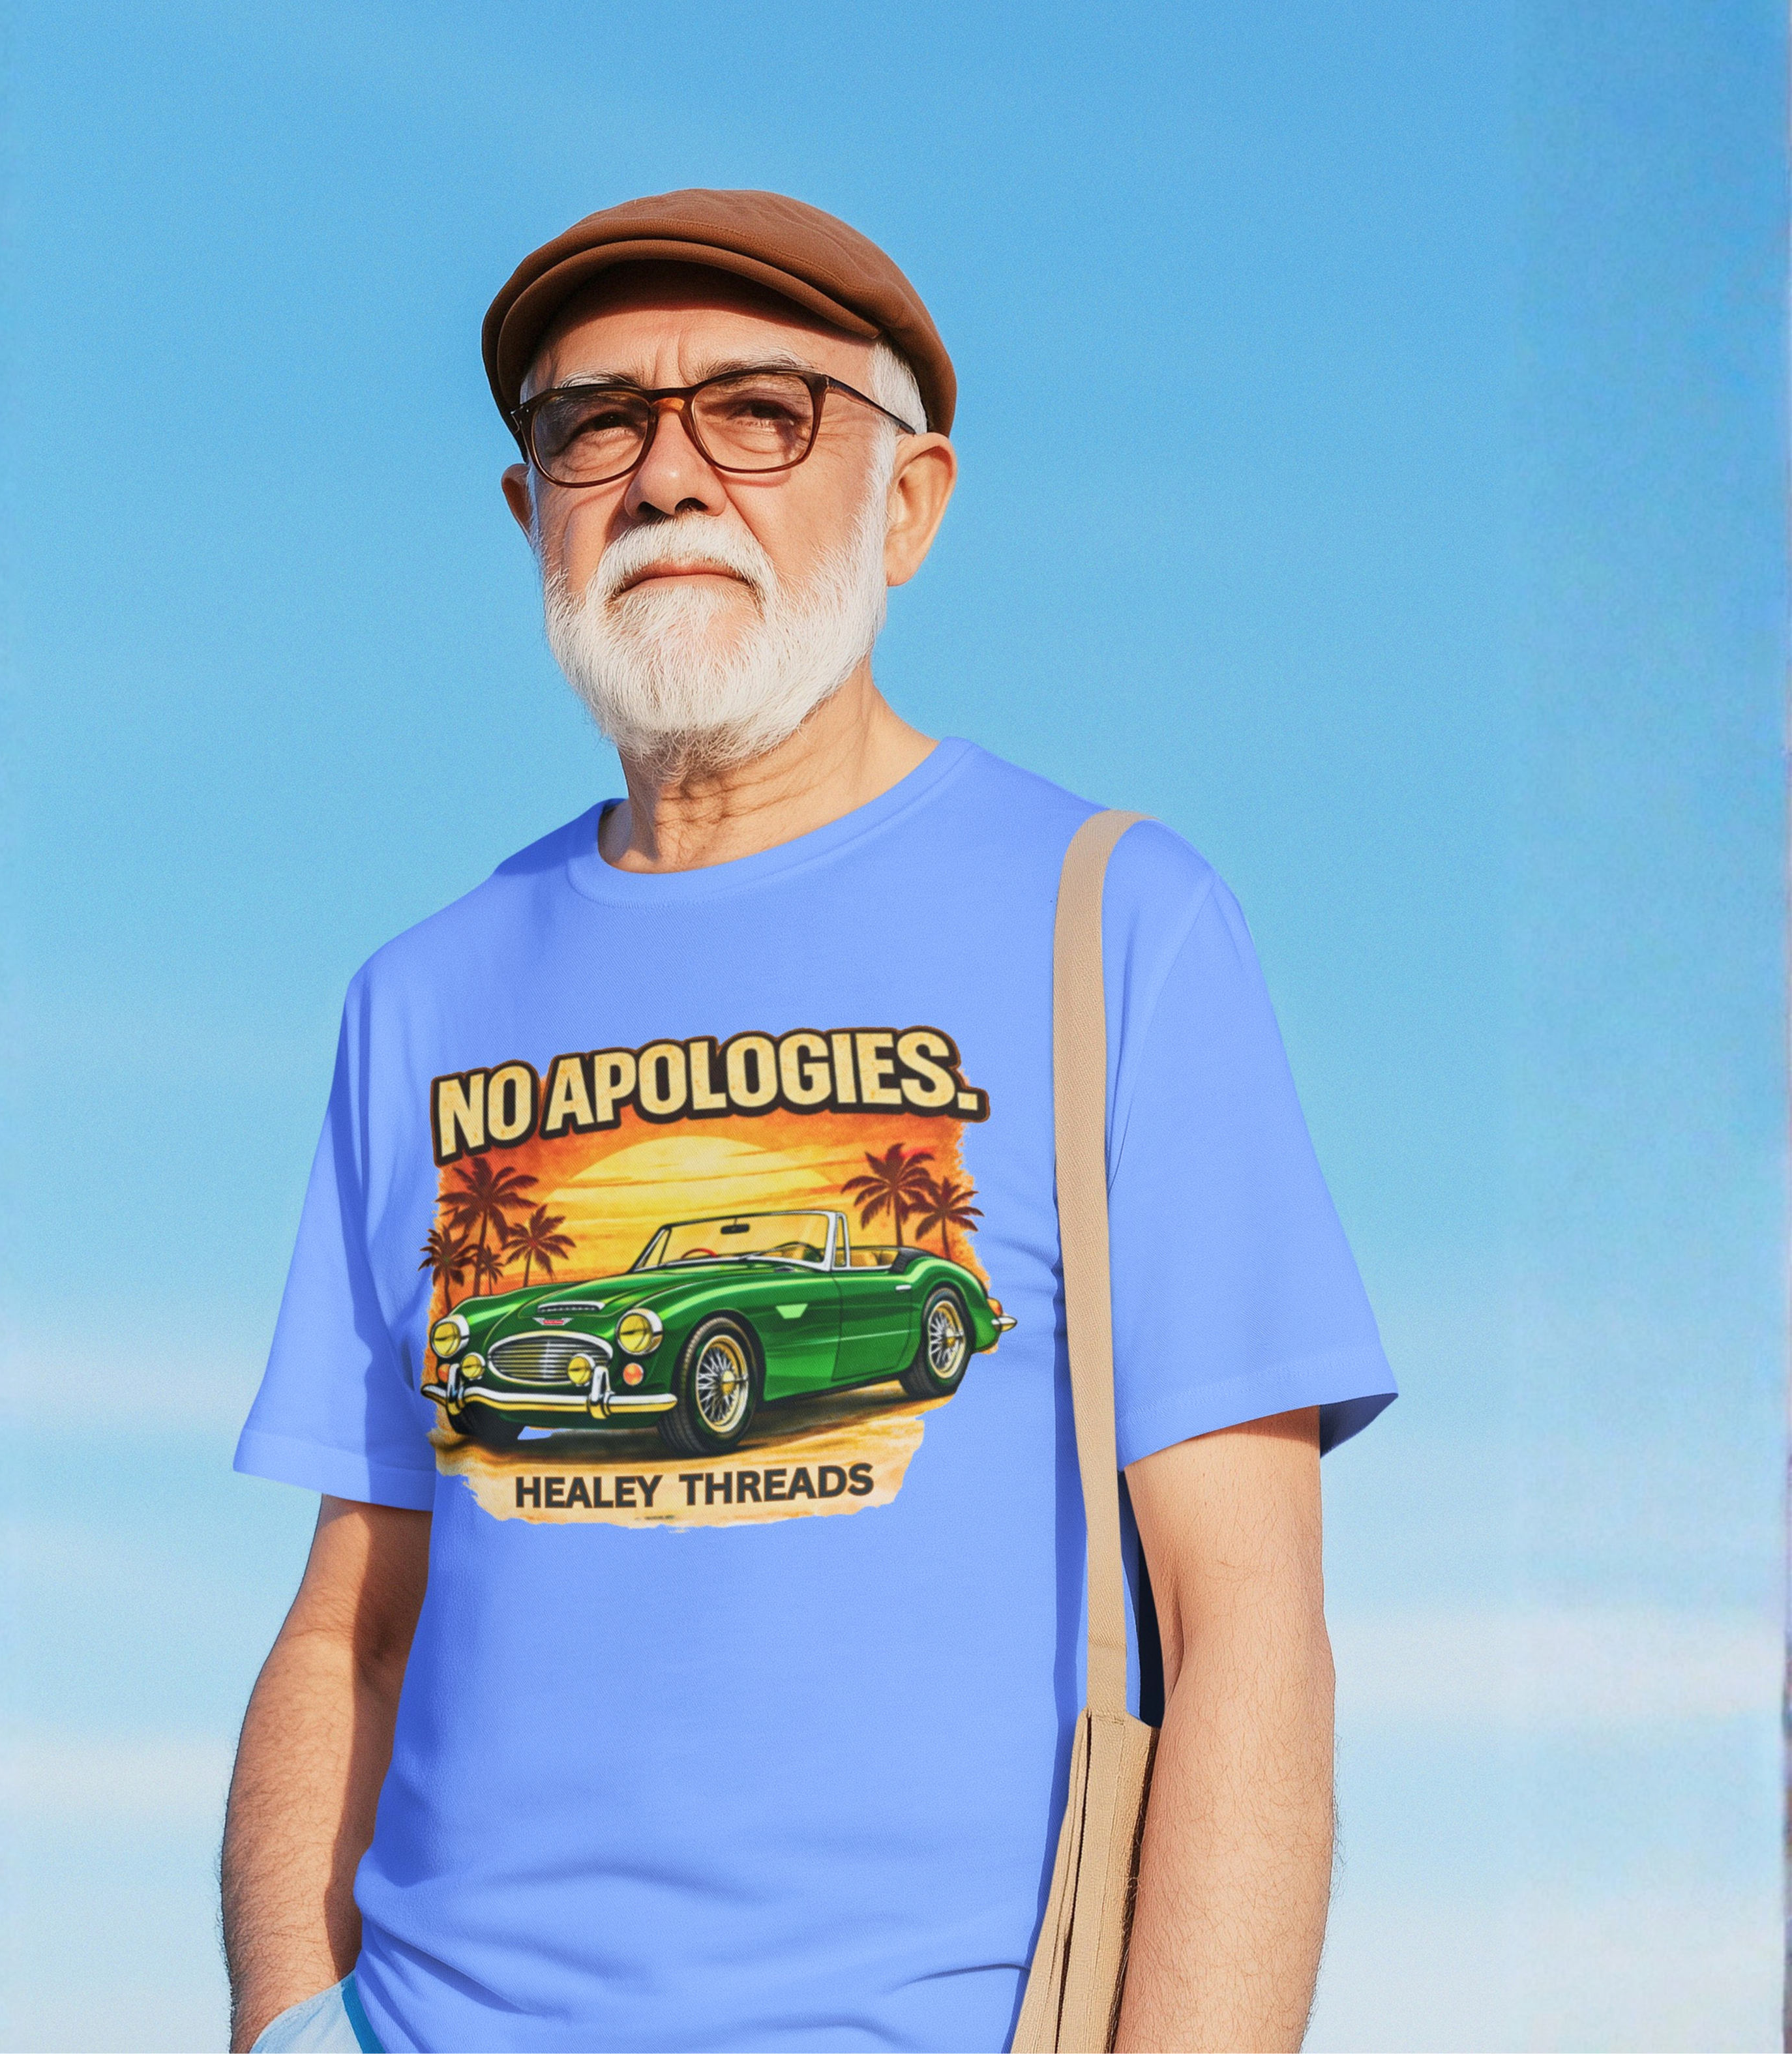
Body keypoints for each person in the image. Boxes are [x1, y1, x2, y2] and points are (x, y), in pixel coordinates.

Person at [220, 188, 1395, 2054]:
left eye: (758, 410)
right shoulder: (421, 994)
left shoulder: (1112, 918)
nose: (667, 474)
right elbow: (348, 1624)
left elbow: (1247, 1626)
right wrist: (288, 2020)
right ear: (532, 512)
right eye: (594, 419)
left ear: (907, 502)